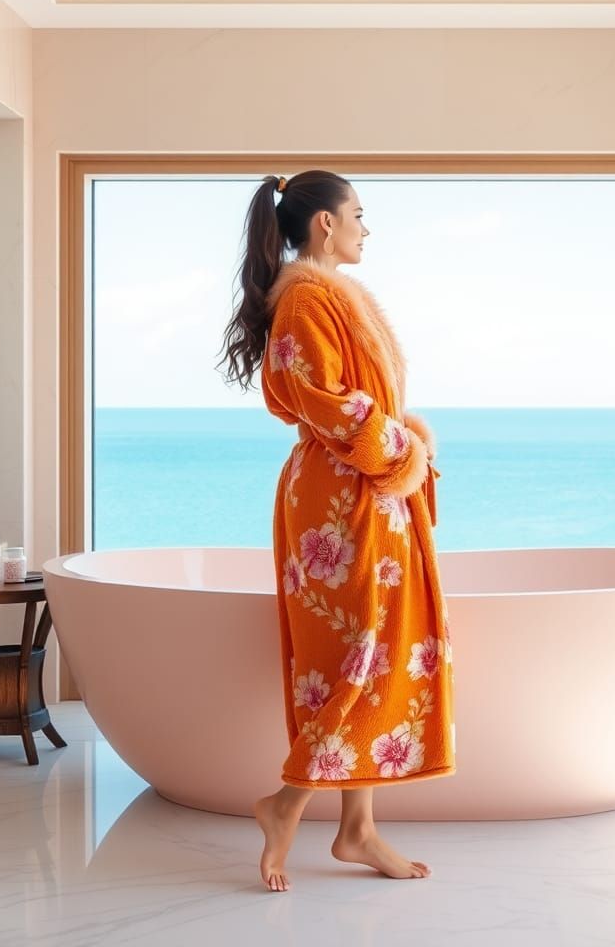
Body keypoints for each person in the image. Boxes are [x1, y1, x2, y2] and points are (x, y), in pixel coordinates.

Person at [217, 170, 454, 891]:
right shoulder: (306, 303)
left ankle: (357, 830)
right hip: (341, 499)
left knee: (377, 651)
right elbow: (326, 402)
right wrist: (405, 449)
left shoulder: (325, 296)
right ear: (324, 223)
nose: (365, 227)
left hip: (366, 491)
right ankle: (287, 803)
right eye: (357, 214)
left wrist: (401, 453)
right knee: (354, 654)